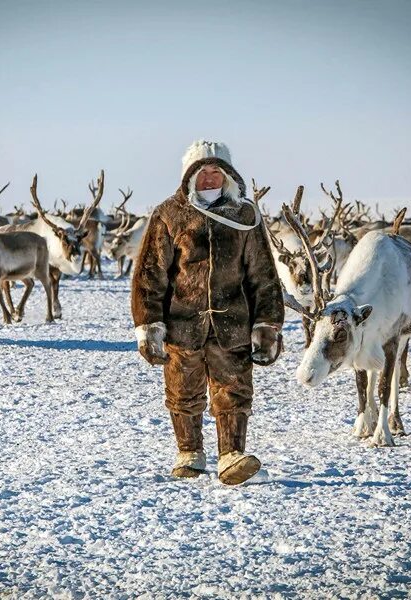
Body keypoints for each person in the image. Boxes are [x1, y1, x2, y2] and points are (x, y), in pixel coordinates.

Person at [131, 140, 284, 485]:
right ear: (190, 175)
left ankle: (231, 455)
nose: (211, 178)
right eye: (203, 172)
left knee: (234, 389)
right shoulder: (169, 213)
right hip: (183, 322)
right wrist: (148, 323)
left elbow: (263, 273)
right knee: (183, 390)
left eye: (217, 171)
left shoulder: (247, 215)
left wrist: (267, 323)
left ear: (228, 174)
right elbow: (150, 272)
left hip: (233, 322)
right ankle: (189, 453)